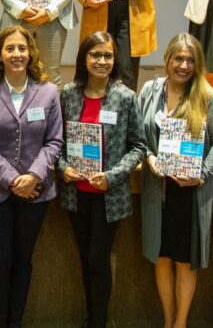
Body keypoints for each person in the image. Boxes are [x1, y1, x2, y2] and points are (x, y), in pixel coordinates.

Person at [0, 25, 63, 328]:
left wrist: (34, 175)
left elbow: (55, 141)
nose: (16, 54)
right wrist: (13, 179)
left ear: (31, 53)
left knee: (23, 262)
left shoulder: (48, 92)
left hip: (36, 193)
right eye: (9, 48)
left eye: (22, 48)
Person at [56, 31, 146, 328]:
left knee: (98, 259)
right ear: (84, 58)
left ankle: (98, 322)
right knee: (85, 258)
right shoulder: (68, 94)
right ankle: (91, 318)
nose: (102, 61)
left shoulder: (125, 97)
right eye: (95, 55)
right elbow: (56, 142)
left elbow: (138, 146)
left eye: (108, 55)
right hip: (76, 193)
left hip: (109, 195)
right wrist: (63, 167)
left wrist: (112, 176)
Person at [138, 33, 213, 328]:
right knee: (162, 257)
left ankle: (180, 323)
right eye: (179, 58)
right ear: (167, 60)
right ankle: (167, 320)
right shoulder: (150, 90)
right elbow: (139, 135)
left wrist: (201, 175)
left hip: (190, 194)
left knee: (185, 261)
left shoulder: (207, 95)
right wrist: (149, 158)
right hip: (158, 190)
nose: (184, 65)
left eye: (191, 60)